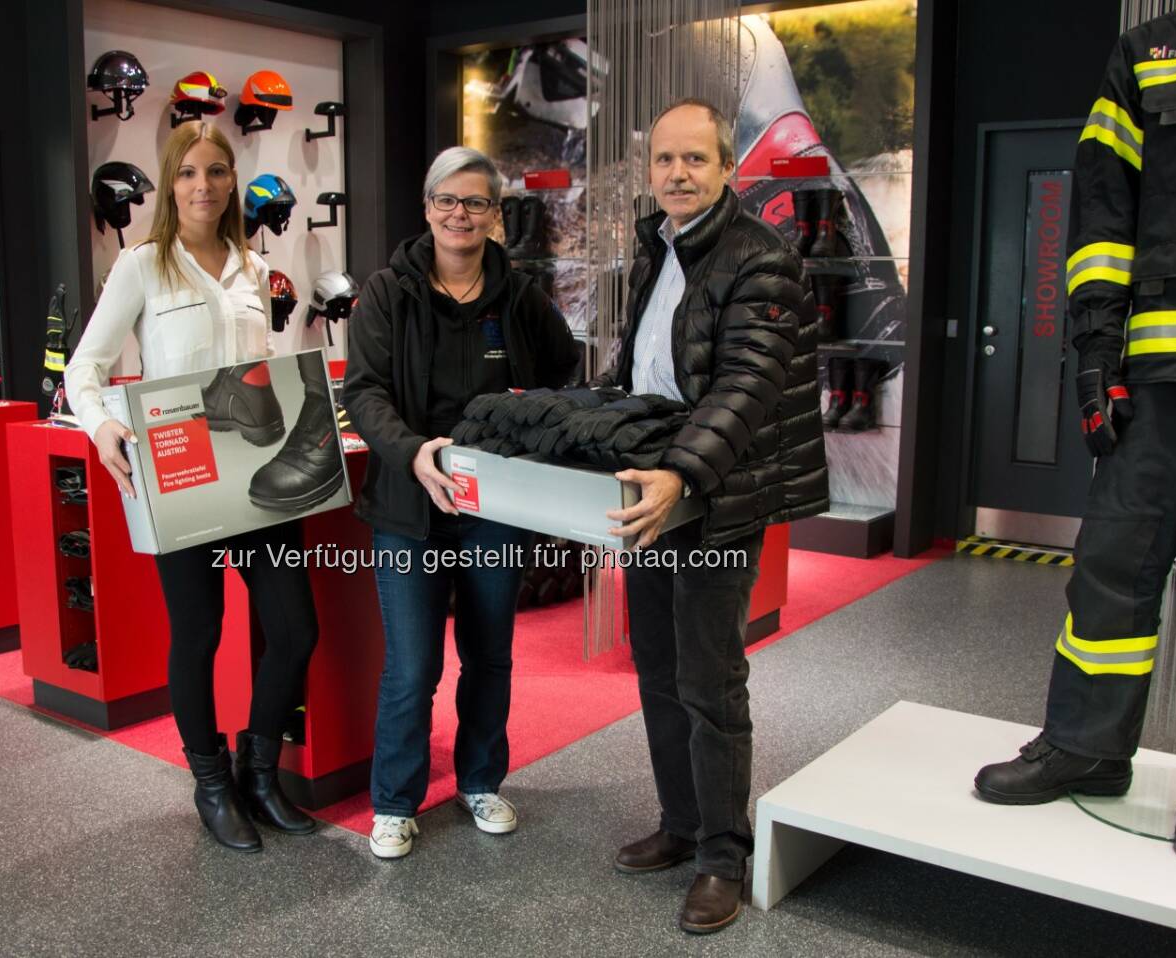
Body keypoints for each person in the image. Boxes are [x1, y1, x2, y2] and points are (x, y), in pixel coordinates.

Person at [973, 7, 1176, 861]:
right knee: (1113, 560)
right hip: (1161, 370)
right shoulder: (1152, 50)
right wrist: (1096, 354)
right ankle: (1087, 746)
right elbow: (1104, 212)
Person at [592, 99, 825, 934]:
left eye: (695, 159)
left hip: (717, 497)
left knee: (711, 682)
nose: (678, 173)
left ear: (728, 167)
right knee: (658, 668)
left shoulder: (761, 258)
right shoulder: (658, 248)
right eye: (665, 160)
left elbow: (745, 387)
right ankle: (682, 823)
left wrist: (680, 473)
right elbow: (645, 368)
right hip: (655, 494)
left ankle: (725, 855)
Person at [64, 121, 320, 853]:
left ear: (232, 181)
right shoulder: (143, 265)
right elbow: (85, 367)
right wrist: (102, 427)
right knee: (200, 633)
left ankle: (258, 773)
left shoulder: (252, 265)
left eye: (214, 171)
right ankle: (211, 785)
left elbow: (262, 364)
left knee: (295, 629)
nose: (201, 185)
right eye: (186, 173)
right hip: (183, 474)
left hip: (258, 469)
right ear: (170, 184)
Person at [342, 146, 580, 859]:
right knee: (413, 665)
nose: (460, 214)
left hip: (495, 506)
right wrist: (413, 451)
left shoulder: (519, 297)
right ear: (427, 208)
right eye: (447, 199)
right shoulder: (387, 293)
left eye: (476, 202)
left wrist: (524, 423)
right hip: (408, 503)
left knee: (489, 653)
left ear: (495, 215)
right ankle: (395, 801)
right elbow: (364, 392)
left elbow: (562, 366)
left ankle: (480, 781)